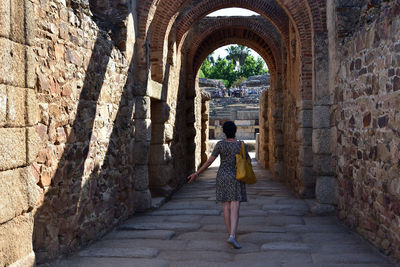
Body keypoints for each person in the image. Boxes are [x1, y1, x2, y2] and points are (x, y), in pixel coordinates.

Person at [187, 121, 250, 249]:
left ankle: (229, 234)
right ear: (235, 131)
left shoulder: (220, 145)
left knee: (225, 206)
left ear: (224, 132)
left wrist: (196, 173)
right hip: (236, 177)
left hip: (222, 176)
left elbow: (210, 161)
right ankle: (232, 235)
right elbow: (247, 160)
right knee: (235, 206)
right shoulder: (241, 145)